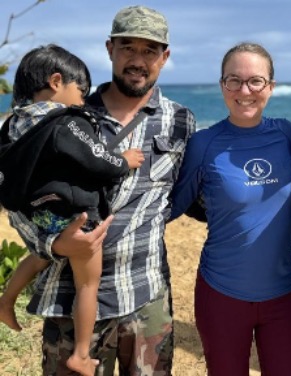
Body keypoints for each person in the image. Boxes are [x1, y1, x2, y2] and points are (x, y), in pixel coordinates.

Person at [8, 6, 196, 375]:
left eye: (150, 50)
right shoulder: (67, 113)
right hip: (69, 299)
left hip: (147, 295)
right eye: (128, 48)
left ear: (165, 57)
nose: (138, 60)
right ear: (110, 49)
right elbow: (18, 195)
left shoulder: (180, 121)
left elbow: (184, 194)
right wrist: (54, 244)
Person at [0, 43, 145, 376]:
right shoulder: (64, 122)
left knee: (38, 257)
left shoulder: (12, 125)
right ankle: (81, 353)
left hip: (39, 217)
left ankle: (6, 300)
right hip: (74, 218)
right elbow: (96, 158)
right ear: (55, 82)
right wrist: (125, 161)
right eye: (81, 91)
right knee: (87, 285)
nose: (83, 99)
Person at [170, 42, 291, 375]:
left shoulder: (287, 133)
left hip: (284, 294)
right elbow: (171, 206)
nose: (245, 90)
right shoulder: (204, 143)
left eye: (256, 81)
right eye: (234, 80)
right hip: (221, 294)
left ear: (271, 88)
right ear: (222, 86)